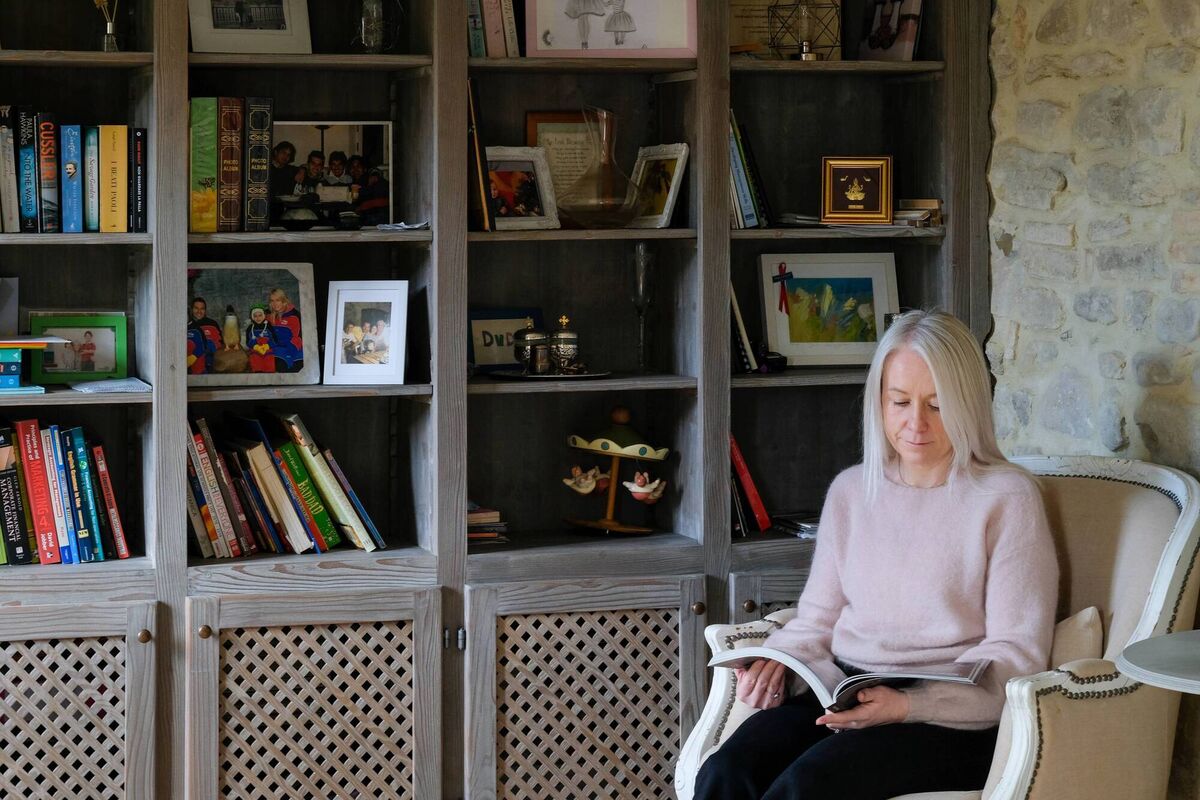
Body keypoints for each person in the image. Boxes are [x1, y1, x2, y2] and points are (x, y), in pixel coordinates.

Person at [693, 309, 1059, 799]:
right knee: (725, 771)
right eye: (900, 401)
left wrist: (909, 705)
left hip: (949, 714)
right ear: (879, 402)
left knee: (807, 787)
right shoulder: (851, 491)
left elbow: (1017, 653)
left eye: (937, 404)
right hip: (845, 686)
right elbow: (817, 619)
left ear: (969, 404)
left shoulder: (1007, 497)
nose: (916, 424)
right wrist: (780, 658)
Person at [267, 288, 304, 372]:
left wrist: (290, 355)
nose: (275, 304)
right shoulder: (270, 316)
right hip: (277, 349)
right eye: (272, 301)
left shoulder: (294, 316)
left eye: (277, 300)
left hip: (293, 349)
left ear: (284, 300)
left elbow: (298, 338)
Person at [187, 297, 222, 375]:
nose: (199, 311)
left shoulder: (212, 324)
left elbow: (219, 344)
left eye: (202, 309)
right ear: (191, 309)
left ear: (205, 310)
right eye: (196, 308)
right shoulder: (186, 324)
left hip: (209, 363)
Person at [244, 304, 276, 373]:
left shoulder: (268, 326)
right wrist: (255, 346)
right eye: (255, 316)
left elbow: (275, 339)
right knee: (255, 361)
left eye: (260, 315)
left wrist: (268, 346)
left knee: (269, 363)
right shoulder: (250, 328)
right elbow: (248, 342)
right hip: (255, 351)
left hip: (268, 351)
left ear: (263, 315)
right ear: (252, 317)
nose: (258, 318)